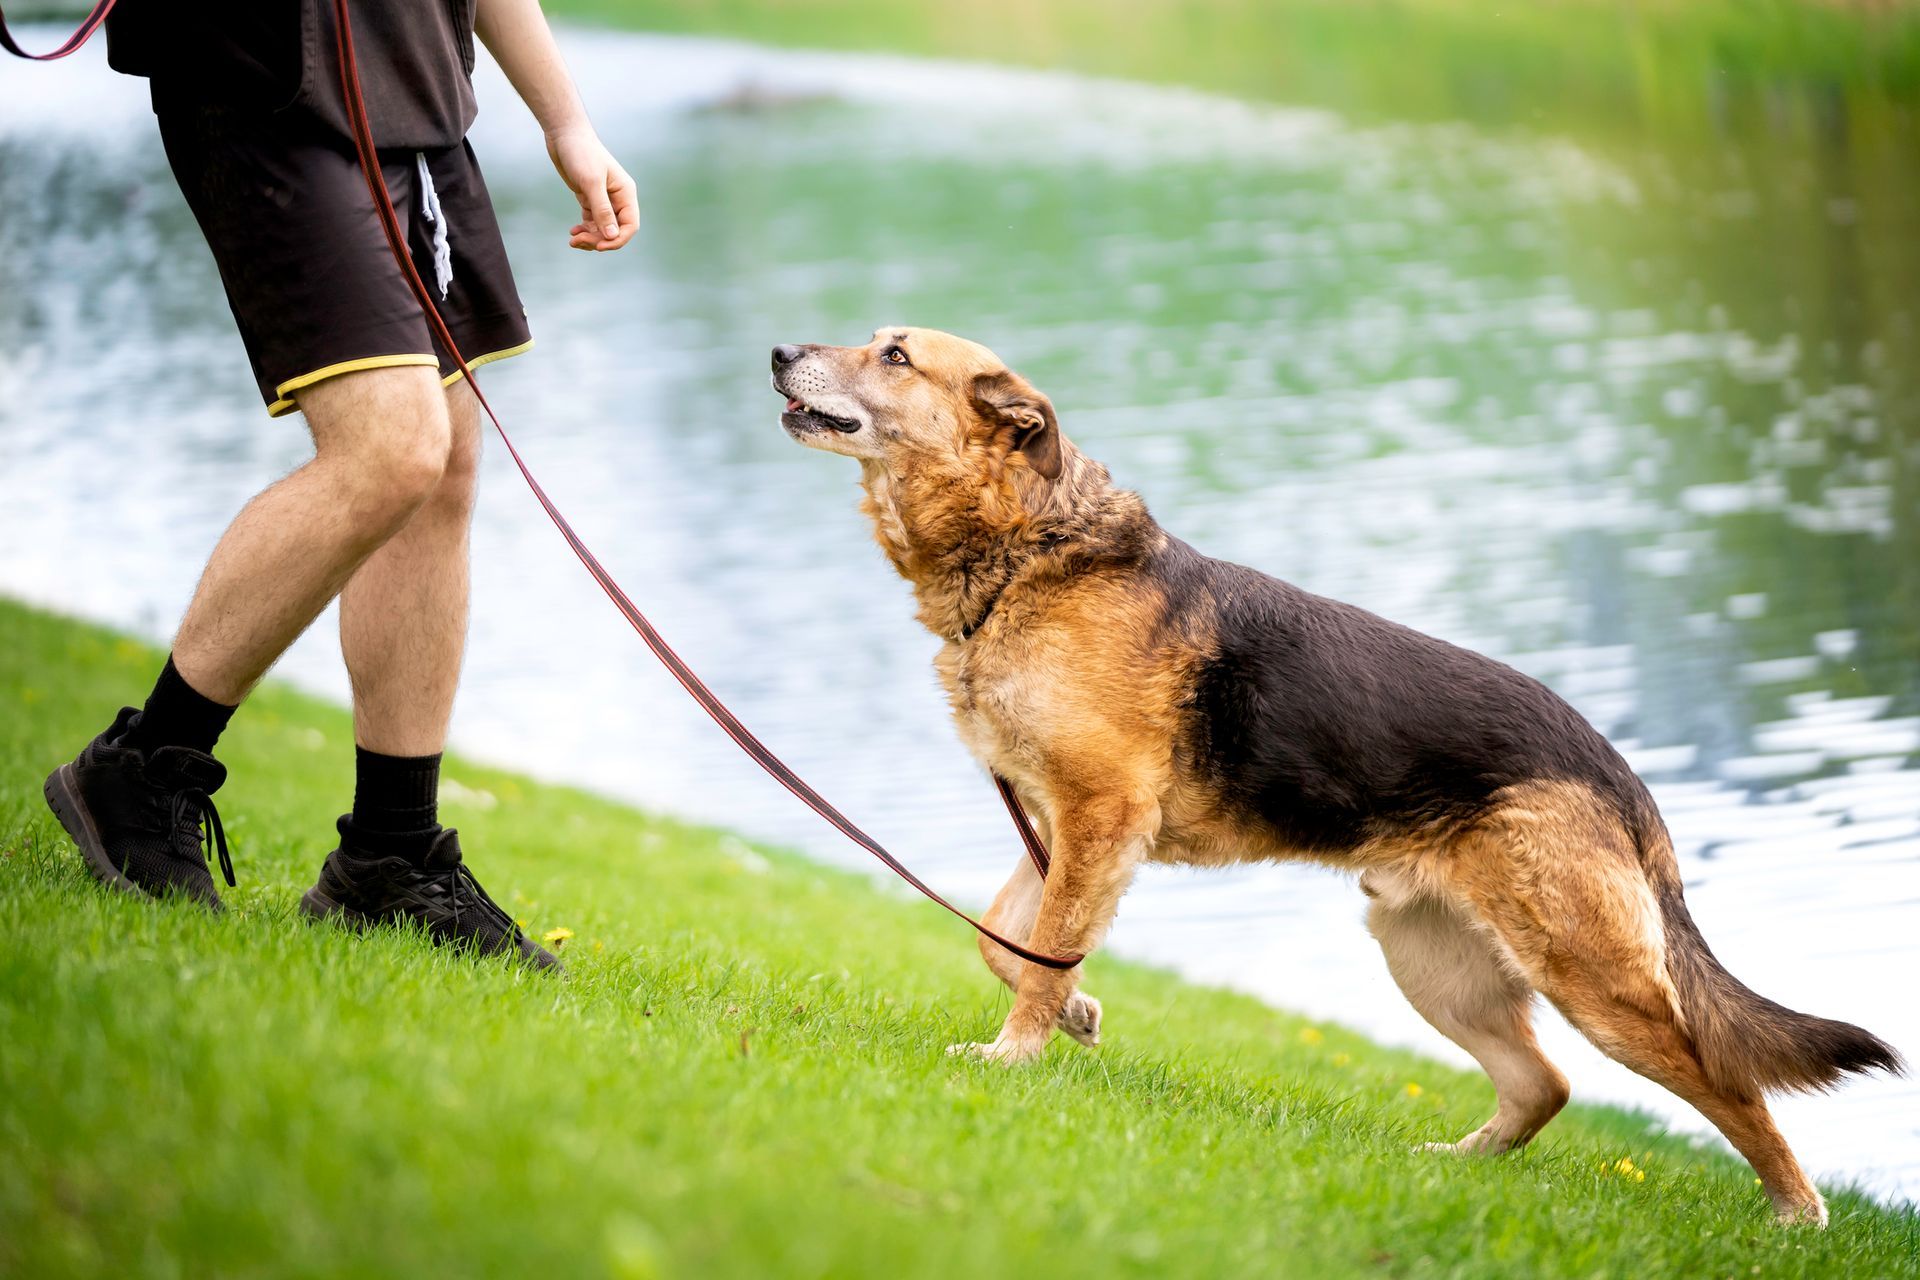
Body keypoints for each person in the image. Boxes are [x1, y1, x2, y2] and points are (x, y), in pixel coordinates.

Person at [42, 0, 639, 970]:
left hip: (417, 91)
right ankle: (143, 767)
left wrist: (565, 119)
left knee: (442, 460)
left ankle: (389, 850)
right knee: (391, 447)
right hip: (265, 76)